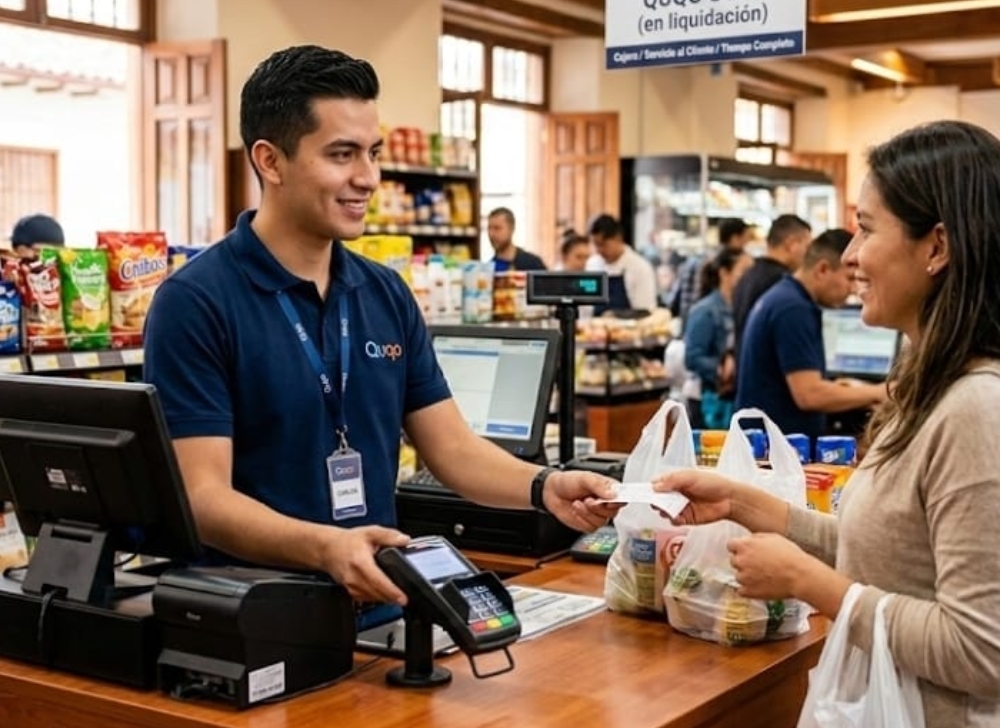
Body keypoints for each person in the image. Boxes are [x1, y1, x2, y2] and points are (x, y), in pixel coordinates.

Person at [142, 45, 619, 613]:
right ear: (270, 161)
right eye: (342, 154)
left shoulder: (384, 292)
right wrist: (326, 548)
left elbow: (453, 449)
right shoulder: (195, 302)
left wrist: (544, 486)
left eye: (372, 152)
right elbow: (203, 498)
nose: (368, 178)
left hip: (382, 613)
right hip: (257, 621)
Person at [657, 120, 1000, 727]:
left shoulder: (975, 411)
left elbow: (981, 649)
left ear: (937, 247)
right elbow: (893, 558)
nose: (847, 256)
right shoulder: (929, 388)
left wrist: (811, 584)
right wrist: (744, 502)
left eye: (865, 229)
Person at [734, 228, 886, 440]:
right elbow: (809, 395)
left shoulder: (784, 298)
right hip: (777, 450)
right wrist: (879, 392)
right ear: (822, 269)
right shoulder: (793, 309)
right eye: (849, 278)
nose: (853, 289)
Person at [682, 247, 753, 429]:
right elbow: (692, 357)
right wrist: (724, 368)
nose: (749, 278)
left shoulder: (745, 308)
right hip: (709, 400)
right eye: (744, 272)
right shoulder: (705, 311)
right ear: (724, 273)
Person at [731, 214, 812, 357]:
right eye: (807, 246)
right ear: (791, 244)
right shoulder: (782, 284)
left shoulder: (748, 275)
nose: (809, 255)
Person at [673, 217, 752, 323]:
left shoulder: (701, 260)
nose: (747, 242)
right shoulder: (721, 263)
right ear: (735, 238)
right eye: (746, 237)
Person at [586, 213, 658, 313]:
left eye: (603, 244)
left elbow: (645, 312)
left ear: (618, 238)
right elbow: (586, 309)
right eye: (596, 245)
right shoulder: (592, 265)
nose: (599, 250)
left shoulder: (640, 268)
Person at [487, 207, 546, 273]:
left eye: (497, 228)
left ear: (511, 229)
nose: (491, 234)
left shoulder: (533, 264)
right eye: (489, 228)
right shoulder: (487, 270)